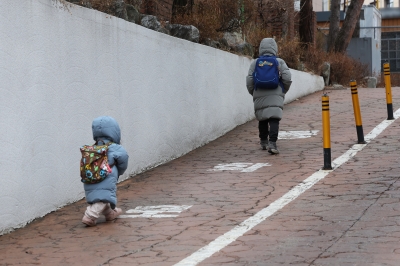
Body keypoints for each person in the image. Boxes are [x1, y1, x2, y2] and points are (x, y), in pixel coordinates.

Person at [246, 38, 292, 154]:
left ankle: (263, 142)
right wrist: (283, 90)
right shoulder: (279, 62)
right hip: (276, 92)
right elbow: (287, 77)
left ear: (261, 48)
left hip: (259, 92)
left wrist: (254, 93)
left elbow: (249, 80)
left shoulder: (255, 63)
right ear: (274, 48)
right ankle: (272, 143)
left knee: (262, 118)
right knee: (274, 118)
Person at [82, 116, 129, 226]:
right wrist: (119, 172)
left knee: (101, 196)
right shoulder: (116, 148)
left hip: (90, 178)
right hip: (107, 177)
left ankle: (110, 213)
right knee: (102, 198)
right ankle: (90, 215)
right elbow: (123, 161)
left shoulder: (91, 149)